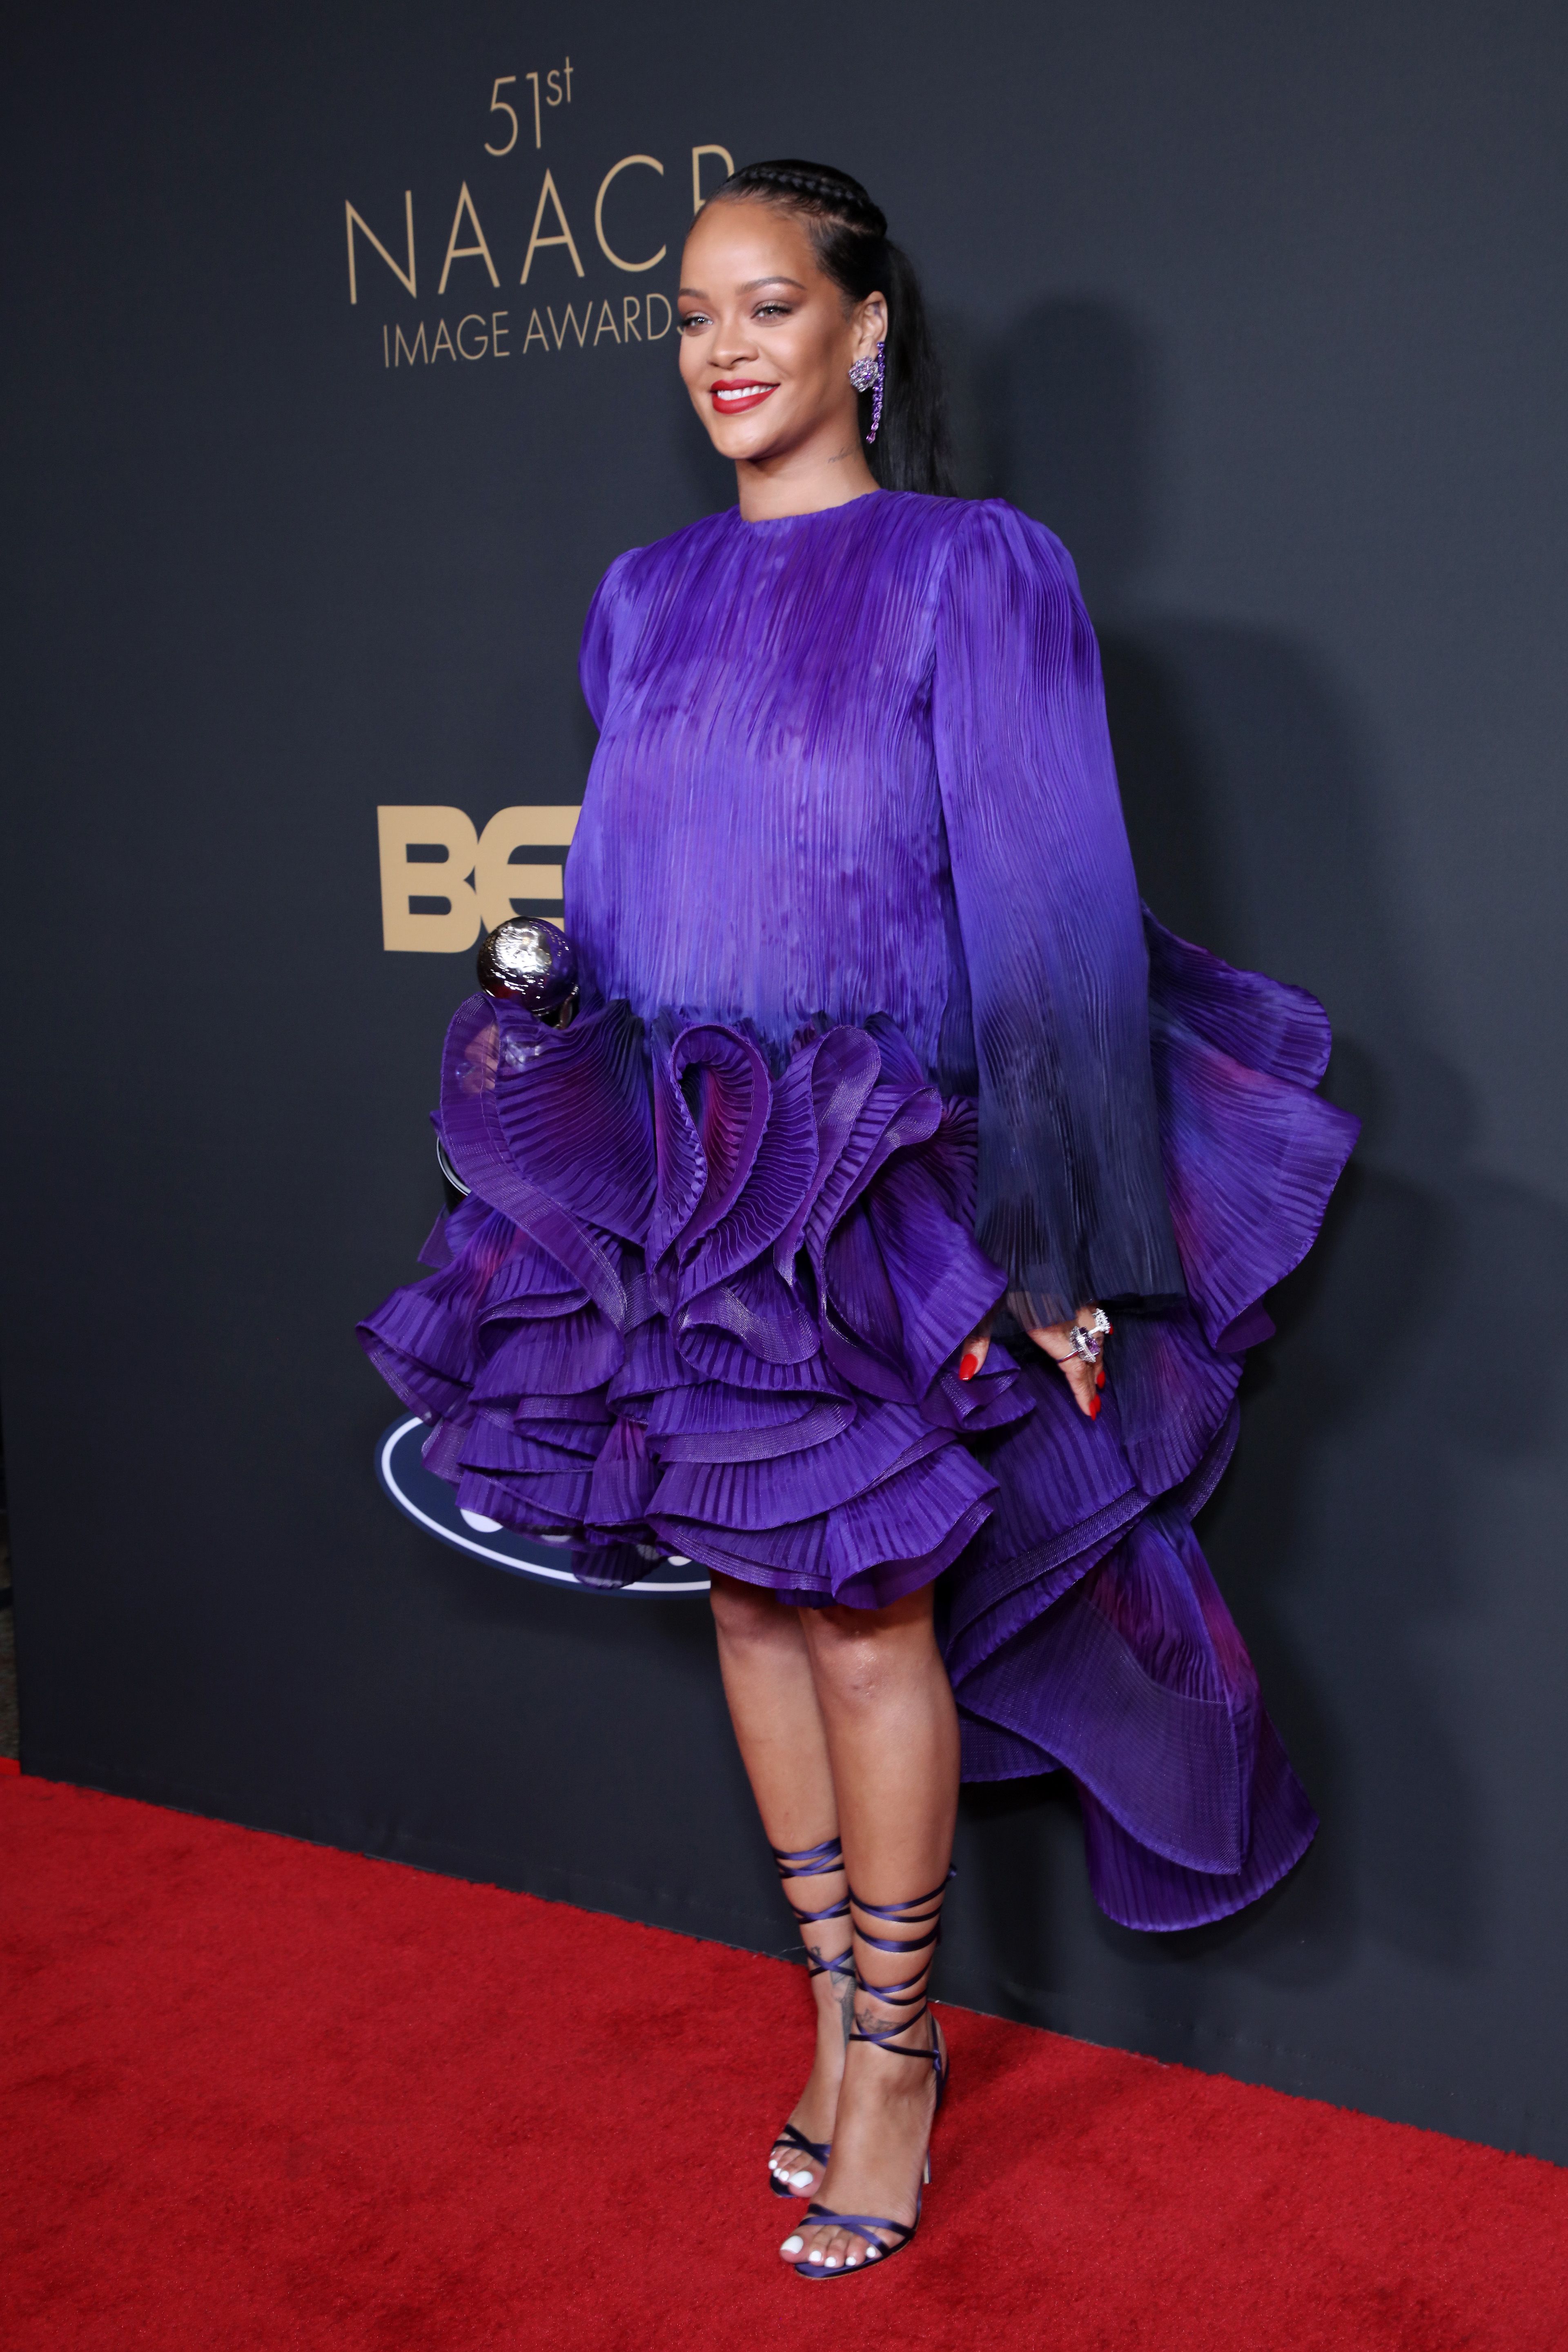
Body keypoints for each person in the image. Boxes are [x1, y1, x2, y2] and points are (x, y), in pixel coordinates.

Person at [360, 159, 1358, 2279]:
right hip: (682, 1194)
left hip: (889, 1178)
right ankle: (827, 2009)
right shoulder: (640, 599)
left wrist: (1066, 1240)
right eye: (695, 316)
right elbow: (629, 921)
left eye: (767, 307)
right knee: (742, 1601)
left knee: (864, 1613)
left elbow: (1055, 907)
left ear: (866, 331)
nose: (725, 349)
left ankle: (896, 2055)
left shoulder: (973, 572)